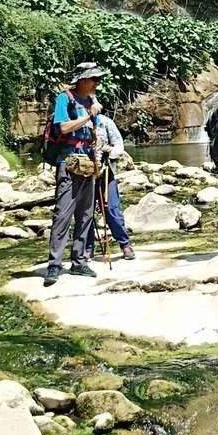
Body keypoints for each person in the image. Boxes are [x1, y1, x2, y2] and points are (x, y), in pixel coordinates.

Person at [44, 62, 104, 287]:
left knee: (86, 213)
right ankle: (54, 264)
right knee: (62, 213)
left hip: (87, 162)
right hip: (68, 163)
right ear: (82, 80)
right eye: (93, 79)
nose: (97, 83)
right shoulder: (65, 99)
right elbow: (62, 128)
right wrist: (89, 115)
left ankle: (79, 260)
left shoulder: (90, 101)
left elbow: (92, 134)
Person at [88, 105, 135, 260]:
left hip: (106, 173)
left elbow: (118, 146)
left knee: (112, 210)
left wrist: (108, 150)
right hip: (85, 175)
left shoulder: (105, 122)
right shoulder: (77, 123)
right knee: (86, 213)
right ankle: (87, 249)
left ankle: (125, 244)